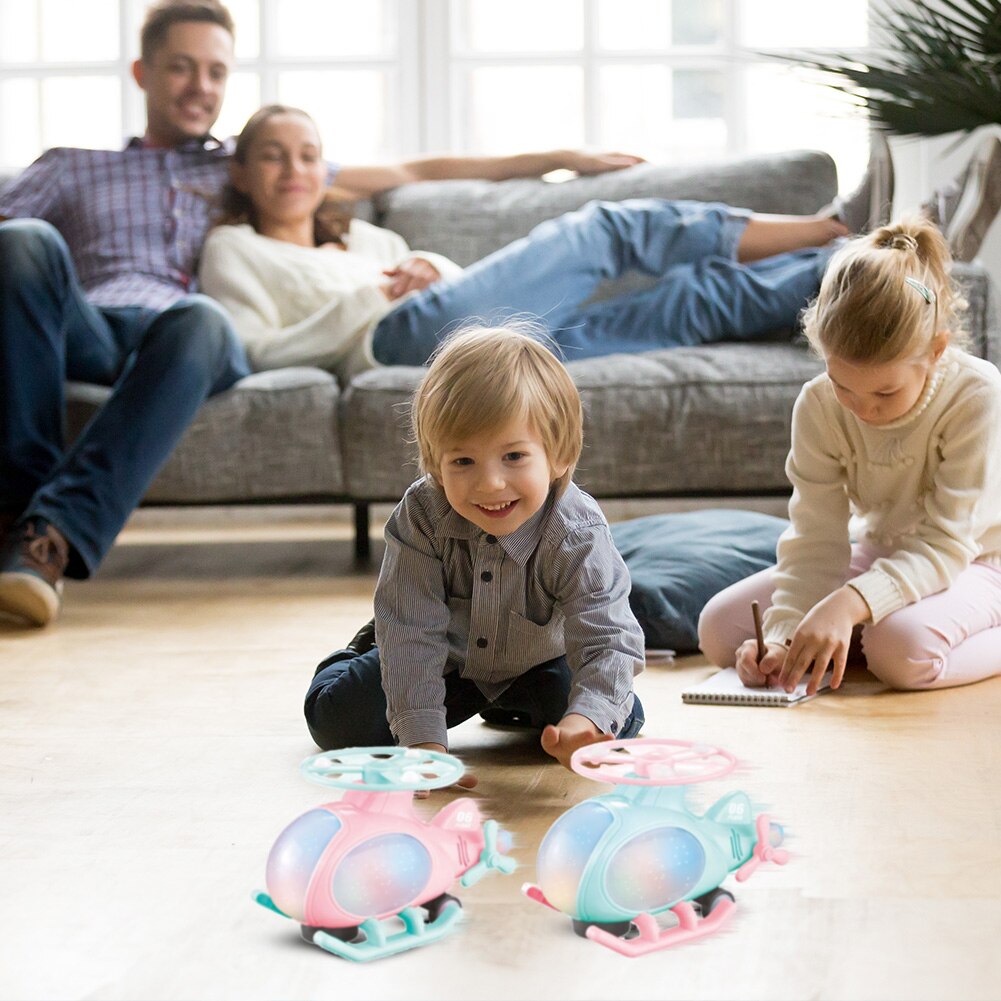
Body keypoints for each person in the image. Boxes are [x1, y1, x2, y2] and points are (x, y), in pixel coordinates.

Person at [0, 2, 640, 629]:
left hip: (186, 340)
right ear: (143, 73)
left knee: (201, 318)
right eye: (181, 68)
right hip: (87, 324)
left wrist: (562, 158)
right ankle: (18, 513)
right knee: (22, 241)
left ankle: (45, 539)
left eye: (216, 72)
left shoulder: (245, 164)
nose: (201, 86)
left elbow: (416, 169)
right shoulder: (71, 165)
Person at [200, 104, 867, 382]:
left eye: (308, 155)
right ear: (240, 170)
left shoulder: (368, 237)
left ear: (326, 170)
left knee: (687, 302)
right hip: (395, 345)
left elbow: (469, 296)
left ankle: (859, 264)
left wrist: (430, 265)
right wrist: (370, 298)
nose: (293, 171)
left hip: (479, 347)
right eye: (272, 156)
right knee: (603, 230)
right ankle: (831, 223)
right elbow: (251, 352)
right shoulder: (235, 249)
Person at [304, 326, 646, 772]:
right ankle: (361, 649)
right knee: (338, 724)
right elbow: (412, 634)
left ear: (558, 455)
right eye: (463, 461)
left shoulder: (576, 531)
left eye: (514, 457)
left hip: (539, 657)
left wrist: (587, 717)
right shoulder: (422, 516)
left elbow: (608, 637)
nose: (490, 484)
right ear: (436, 464)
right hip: (444, 655)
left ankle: (507, 702)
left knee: (618, 720)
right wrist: (424, 746)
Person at [697, 215, 1001, 697]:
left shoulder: (977, 395)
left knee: (899, 654)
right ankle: (862, 630)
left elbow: (946, 545)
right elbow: (815, 538)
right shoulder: (818, 403)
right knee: (720, 630)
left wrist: (845, 606)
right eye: (844, 386)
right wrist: (782, 637)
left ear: (937, 350)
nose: (863, 409)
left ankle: (877, 631)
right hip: (885, 550)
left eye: (885, 392)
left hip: (977, 559)